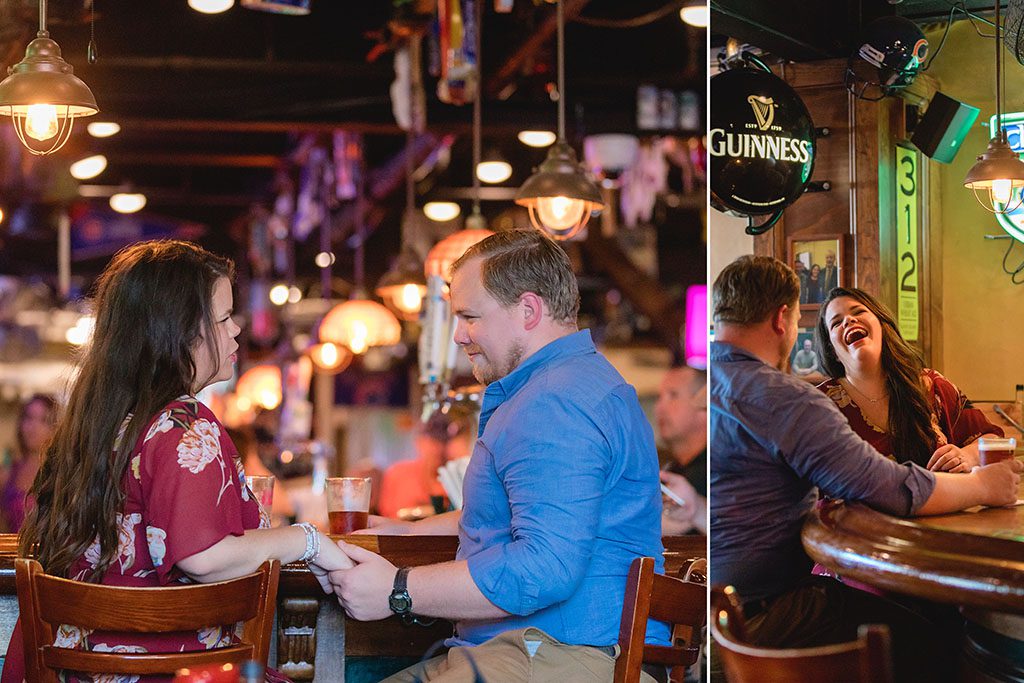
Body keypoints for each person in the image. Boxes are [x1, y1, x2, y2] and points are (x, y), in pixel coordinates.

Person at [327, 230, 669, 683]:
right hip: (536, 651)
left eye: (470, 316)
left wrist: (398, 590)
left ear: (528, 310)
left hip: (562, 654)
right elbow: (520, 513)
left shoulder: (556, 400)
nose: (458, 335)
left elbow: (544, 567)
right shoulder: (566, 384)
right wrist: (408, 530)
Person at [3, 241, 351, 683]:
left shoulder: (94, 424)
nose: (236, 332)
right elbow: (204, 557)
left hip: (78, 670)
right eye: (224, 319)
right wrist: (308, 540)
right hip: (169, 672)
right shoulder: (183, 423)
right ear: (183, 331)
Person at [709, 255, 1021, 683]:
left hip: (720, 613)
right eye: (824, 321)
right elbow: (887, 488)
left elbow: (992, 438)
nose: (848, 324)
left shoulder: (705, 381)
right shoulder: (792, 400)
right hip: (766, 612)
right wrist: (984, 486)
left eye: (859, 313)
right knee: (940, 643)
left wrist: (972, 462)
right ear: (782, 319)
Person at [815, 287, 1002, 471]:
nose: (848, 320)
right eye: (836, 323)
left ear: (882, 326)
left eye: (859, 311)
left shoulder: (931, 384)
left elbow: (993, 440)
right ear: (832, 351)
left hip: (947, 502)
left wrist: (969, 456)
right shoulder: (819, 405)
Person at [378, 408, 474, 519]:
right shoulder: (398, 474)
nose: (438, 447)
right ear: (419, 441)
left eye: (445, 440)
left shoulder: (463, 476)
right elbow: (388, 518)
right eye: (433, 439)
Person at [654, 365, 707, 535]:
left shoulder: (712, 471)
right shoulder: (674, 469)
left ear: (704, 407)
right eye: (660, 397)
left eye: (673, 396)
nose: (659, 408)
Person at [0, 394, 57, 533]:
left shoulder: (59, 473)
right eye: (29, 418)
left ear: (55, 427)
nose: (33, 427)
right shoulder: (9, 471)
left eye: (43, 420)